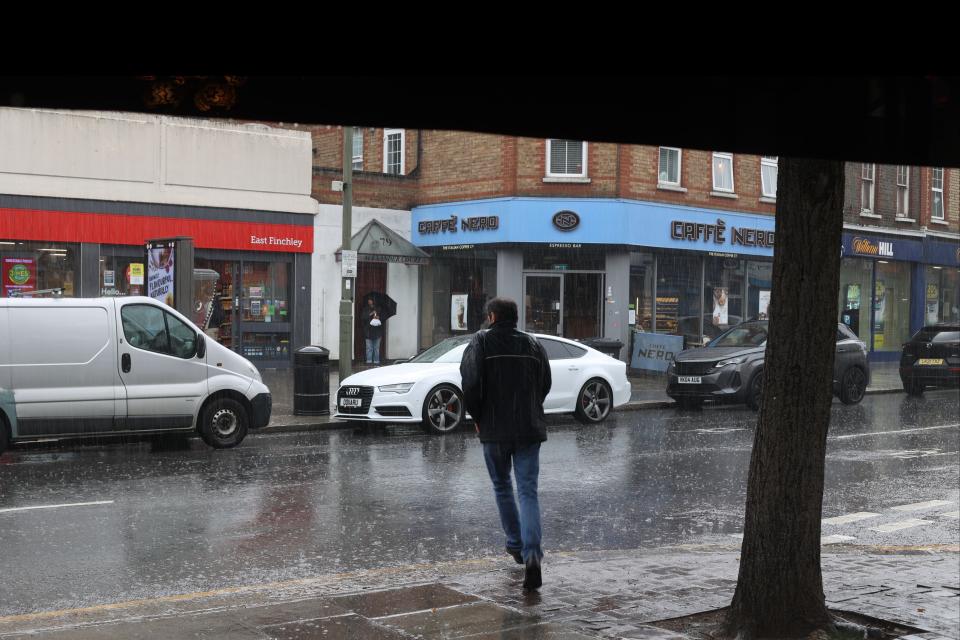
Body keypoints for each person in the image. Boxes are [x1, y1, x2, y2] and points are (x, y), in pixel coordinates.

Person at [460, 297, 552, 591]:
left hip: (494, 429)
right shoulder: (534, 344)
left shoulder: (481, 342)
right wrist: (528, 407)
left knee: (502, 486)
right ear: (514, 317)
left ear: (492, 316)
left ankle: (515, 543)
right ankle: (532, 556)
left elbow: (470, 382)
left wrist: (478, 416)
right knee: (528, 492)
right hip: (528, 429)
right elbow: (545, 383)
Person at [362, 296, 384, 365]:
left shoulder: (378, 309)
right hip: (368, 332)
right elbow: (363, 317)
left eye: (371, 300)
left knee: (376, 348)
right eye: (368, 300)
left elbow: (383, 319)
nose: (369, 301)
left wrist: (378, 317)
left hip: (377, 332)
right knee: (369, 348)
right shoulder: (365, 309)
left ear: (374, 301)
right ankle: (369, 362)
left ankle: (376, 362)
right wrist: (371, 314)